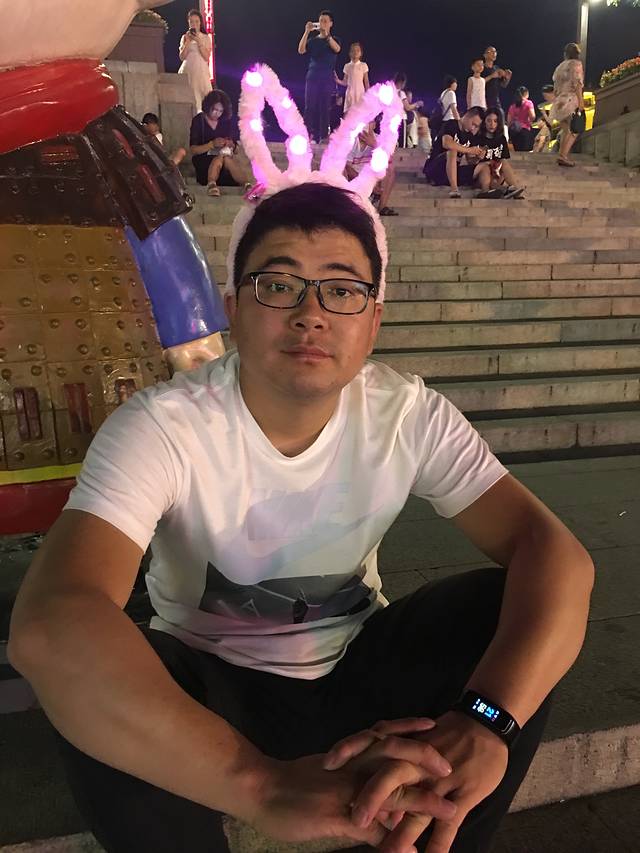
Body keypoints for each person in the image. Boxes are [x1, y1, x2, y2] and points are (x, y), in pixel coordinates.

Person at [8, 149, 595, 852]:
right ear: (233, 309)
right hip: (211, 689)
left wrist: (487, 721)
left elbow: (554, 553)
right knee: (99, 670)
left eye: (342, 290)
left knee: (506, 607)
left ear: (373, 321)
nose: (311, 314)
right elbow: (50, 623)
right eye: (278, 285)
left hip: (358, 668)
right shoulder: (163, 425)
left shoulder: (406, 414)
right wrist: (257, 784)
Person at [189, 89, 250, 196]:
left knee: (225, 158)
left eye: (220, 111)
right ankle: (211, 184)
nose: (217, 113)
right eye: (215, 110)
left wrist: (231, 144)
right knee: (219, 158)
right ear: (208, 106)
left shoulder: (225, 122)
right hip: (204, 162)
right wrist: (212, 144)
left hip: (223, 163)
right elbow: (193, 150)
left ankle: (247, 185)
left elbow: (236, 149)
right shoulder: (199, 121)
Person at [423, 106, 486, 198]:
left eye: (476, 126)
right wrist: (470, 149)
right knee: (452, 151)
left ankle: (485, 191)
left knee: (484, 166)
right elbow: (447, 144)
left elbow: (470, 161)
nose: (473, 128)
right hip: (436, 168)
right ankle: (454, 189)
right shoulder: (451, 124)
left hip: (454, 171)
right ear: (467, 116)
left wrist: (477, 157)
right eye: (473, 124)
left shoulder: (469, 135)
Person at [298, 11, 341, 143]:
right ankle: (307, 135)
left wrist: (327, 36)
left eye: (325, 21)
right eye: (321, 20)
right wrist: (307, 31)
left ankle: (323, 136)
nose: (322, 23)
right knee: (309, 106)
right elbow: (301, 50)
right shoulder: (313, 40)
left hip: (327, 77)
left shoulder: (334, 40)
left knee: (325, 107)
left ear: (331, 23)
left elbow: (337, 49)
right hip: (312, 76)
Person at [345, 123, 398, 216]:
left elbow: (389, 160)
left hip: (372, 180)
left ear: (374, 125)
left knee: (389, 167)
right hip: (353, 180)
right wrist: (368, 184)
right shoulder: (350, 139)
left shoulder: (379, 140)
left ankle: (382, 207)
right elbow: (347, 168)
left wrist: (374, 144)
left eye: (370, 121)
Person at [550, 43, 586, 168]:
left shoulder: (560, 67)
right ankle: (563, 155)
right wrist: (581, 101)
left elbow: (555, 87)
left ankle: (562, 155)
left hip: (559, 102)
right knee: (576, 128)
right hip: (570, 100)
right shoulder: (576, 65)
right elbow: (577, 84)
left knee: (566, 130)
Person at [476, 108, 525, 199]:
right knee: (486, 168)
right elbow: (472, 162)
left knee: (503, 162)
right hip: (482, 176)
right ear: (484, 122)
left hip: (497, 175)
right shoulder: (478, 138)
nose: (492, 124)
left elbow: (503, 161)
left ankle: (514, 189)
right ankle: (488, 191)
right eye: (489, 121)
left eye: (495, 121)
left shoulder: (501, 139)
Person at [178, 8, 212, 112]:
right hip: (188, 70)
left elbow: (206, 56)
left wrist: (198, 41)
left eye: (196, 21)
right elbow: (182, 57)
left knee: (204, 98)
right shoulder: (185, 37)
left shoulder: (205, 38)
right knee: (190, 97)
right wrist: (188, 41)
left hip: (201, 71)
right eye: (191, 22)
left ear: (200, 22)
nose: (194, 24)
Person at [334, 41, 370, 113]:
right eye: (353, 50)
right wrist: (337, 80)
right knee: (348, 114)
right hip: (350, 94)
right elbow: (345, 82)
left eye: (357, 50)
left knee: (360, 113)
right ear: (350, 53)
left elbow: (366, 81)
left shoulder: (363, 65)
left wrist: (368, 94)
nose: (355, 52)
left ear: (361, 53)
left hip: (360, 93)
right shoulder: (347, 66)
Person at [393, 73, 424, 147]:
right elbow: (407, 107)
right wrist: (417, 104)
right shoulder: (401, 93)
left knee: (393, 143)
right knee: (402, 144)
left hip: (392, 120)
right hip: (401, 119)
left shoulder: (390, 92)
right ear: (401, 82)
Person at [482, 46, 512, 111]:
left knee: (500, 115)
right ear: (485, 55)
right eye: (491, 52)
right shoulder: (481, 68)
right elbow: (478, 83)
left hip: (496, 101)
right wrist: (491, 76)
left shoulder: (496, 68)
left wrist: (507, 78)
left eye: (495, 52)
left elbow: (503, 85)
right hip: (483, 100)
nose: (494, 53)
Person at [507, 87, 536, 152]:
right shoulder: (529, 103)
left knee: (517, 152)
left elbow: (509, 121)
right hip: (525, 131)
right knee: (525, 153)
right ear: (526, 94)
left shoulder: (512, 106)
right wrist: (529, 120)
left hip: (514, 133)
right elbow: (533, 117)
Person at [532, 85, 556, 154]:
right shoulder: (553, 106)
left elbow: (551, 123)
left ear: (552, 93)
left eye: (546, 96)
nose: (545, 98)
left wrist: (544, 113)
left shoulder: (556, 105)